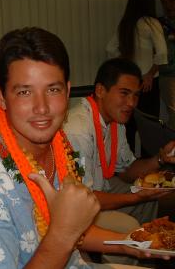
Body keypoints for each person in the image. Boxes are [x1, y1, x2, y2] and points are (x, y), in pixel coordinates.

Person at [0, 27, 161, 268]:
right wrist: (63, 234)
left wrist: (134, 244)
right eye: (25, 91)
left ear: (68, 92)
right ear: (1, 98)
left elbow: (76, 230)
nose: (42, 107)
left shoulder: (63, 154)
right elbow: (66, 231)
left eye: (53, 90)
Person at [64, 58, 175, 227]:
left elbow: (126, 172)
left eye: (136, 95)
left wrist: (160, 159)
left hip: (101, 187)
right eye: (124, 93)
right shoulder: (79, 130)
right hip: (74, 206)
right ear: (100, 90)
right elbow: (85, 198)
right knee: (136, 207)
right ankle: (124, 246)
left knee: (149, 197)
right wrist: (135, 197)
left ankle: (142, 242)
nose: (131, 103)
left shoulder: (116, 122)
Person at [106, 0, 167, 153]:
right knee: (149, 126)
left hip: (129, 83)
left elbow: (111, 49)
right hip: (148, 83)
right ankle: (149, 165)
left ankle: (128, 164)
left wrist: (127, 64)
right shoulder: (151, 22)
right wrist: (149, 75)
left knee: (129, 125)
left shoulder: (126, 23)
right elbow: (162, 53)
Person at [159, 0, 175, 130]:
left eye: (172, 1)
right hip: (168, 75)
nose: (168, 6)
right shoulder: (157, 24)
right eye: (164, 2)